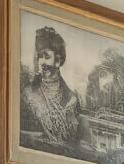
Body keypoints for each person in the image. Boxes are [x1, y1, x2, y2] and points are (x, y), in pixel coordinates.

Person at [20, 25, 80, 153]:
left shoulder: (71, 99)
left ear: (58, 61)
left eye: (46, 57)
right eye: (39, 57)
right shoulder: (28, 93)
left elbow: (71, 143)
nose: (41, 62)